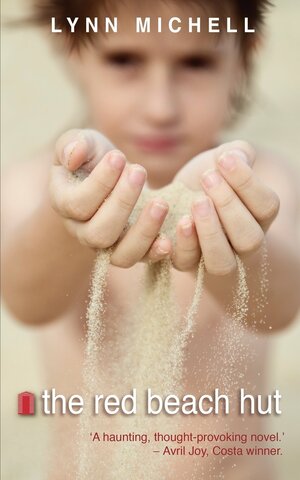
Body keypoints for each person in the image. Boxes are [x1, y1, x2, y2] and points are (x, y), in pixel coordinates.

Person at [2, 0, 300, 478]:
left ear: (245, 54)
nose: (161, 107)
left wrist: (231, 235)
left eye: (197, 62)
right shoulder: (32, 186)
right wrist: (65, 220)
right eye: (124, 59)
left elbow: (277, 309)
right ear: (71, 48)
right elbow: (28, 301)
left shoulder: (265, 183)